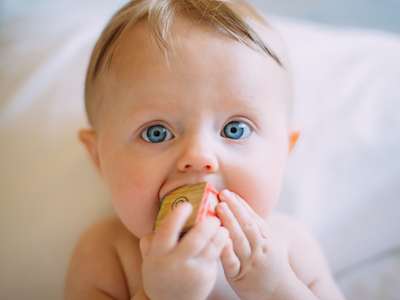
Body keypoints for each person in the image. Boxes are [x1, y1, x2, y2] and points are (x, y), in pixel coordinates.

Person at [65, 0, 345, 299]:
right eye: (156, 133)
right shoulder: (106, 252)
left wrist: (276, 288)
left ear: (284, 153)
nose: (199, 156)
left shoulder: (290, 246)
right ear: (99, 158)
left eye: (235, 129)